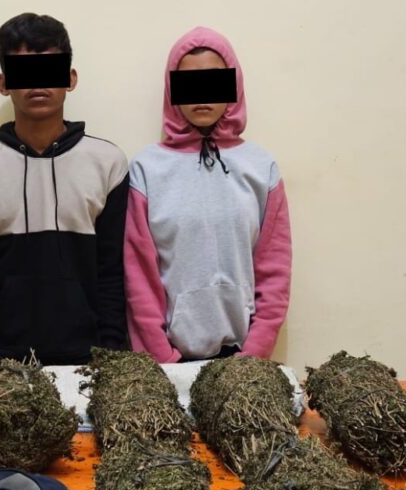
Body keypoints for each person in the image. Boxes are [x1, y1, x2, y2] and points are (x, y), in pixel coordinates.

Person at [0, 13, 129, 371]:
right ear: (3, 83)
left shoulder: (108, 163)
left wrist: (112, 352)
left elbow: (112, 272)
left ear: (70, 78)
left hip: (86, 360)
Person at [124, 27, 292, 362]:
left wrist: (254, 354)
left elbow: (274, 269)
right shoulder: (147, 169)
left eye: (214, 81)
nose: (202, 96)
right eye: (189, 83)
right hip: (170, 361)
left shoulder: (261, 167)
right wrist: (162, 358)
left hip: (243, 361)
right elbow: (139, 275)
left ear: (234, 86)